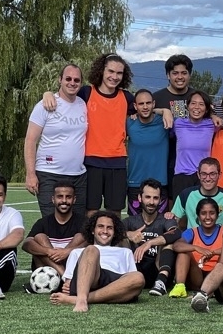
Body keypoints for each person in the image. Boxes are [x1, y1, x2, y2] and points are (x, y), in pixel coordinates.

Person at [42, 53, 173, 217]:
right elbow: (64, 96)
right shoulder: (86, 93)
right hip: (91, 162)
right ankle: (90, 242)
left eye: (119, 73)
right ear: (102, 71)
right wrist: (48, 93)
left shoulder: (126, 97)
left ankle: (113, 243)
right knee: (91, 210)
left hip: (117, 164)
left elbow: (144, 108)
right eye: (111, 71)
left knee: (115, 211)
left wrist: (164, 110)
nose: (114, 76)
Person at [24, 63, 87, 217]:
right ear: (60, 79)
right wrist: (30, 174)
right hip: (48, 174)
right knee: (51, 221)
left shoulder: (83, 104)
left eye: (76, 80)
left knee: (78, 225)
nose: (72, 83)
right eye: (68, 78)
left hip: (78, 176)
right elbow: (30, 141)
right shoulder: (44, 105)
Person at [50, 210, 145, 312]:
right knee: (92, 249)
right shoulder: (78, 252)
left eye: (109, 228)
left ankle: (76, 300)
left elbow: (131, 280)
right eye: (100, 226)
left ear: (114, 232)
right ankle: (81, 300)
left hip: (115, 282)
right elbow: (68, 283)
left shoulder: (125, 252)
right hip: (87, 280)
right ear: (92, 230)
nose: (105, 231)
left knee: (138, 277)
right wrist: (67, 284)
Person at [22, 182, 87, 286]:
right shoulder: (43, 222)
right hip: (47, 273)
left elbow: (93, 243)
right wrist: (49, 251)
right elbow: (26, 244)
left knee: (81, 237)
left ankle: (67, 277)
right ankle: (66, 278)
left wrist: (67, 252)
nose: (64, 201)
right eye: (60, 197)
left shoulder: (84, 222)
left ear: (74, 199)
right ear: (53, 199)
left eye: (68, 197)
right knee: (39, 237)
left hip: (73, 268)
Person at [153, 54, 196, 208]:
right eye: (175, 73)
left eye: (184, 73)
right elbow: (141, 110)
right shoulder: (157, 98)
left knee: (189, 204)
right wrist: (162, 110)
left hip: (189, 162)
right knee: (166, 203)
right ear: (168, 75)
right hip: (163, 158)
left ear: (189, 75)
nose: (180, 77)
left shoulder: (196, 98)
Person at [123, 179, 180, 293]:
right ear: (140, 198)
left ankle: (160, 283)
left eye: (155, 198)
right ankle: (123, 277)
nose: (151, 202)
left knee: (169, 243)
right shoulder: (130, 221)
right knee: (122, 240)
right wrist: (129, 234)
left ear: (160, 200)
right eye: (147, 197)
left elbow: (176, 232)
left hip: (158, 268)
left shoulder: (165, 219)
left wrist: (150, 242)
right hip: (135, 269)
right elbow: (112, 232)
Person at [168, 197, 223, 297]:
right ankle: (180, 287)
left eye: (212, 213)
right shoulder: (192, 232)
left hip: (217, 275)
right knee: (184, 251)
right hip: (196, 275)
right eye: (203, 213)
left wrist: (213, 252)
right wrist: (196, 248)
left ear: (217, 215)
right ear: (198, 216)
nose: (208, 217)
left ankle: (214, 289)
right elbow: (176, 246)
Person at [126, 88, 170, 215]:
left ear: (153, 104)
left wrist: (165, 111)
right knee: (135, 227)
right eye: (141, 104)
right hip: (135, 184)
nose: (145, 107)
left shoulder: (165, 121)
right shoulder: (129, 123)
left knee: (160, 227)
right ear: (135, 106)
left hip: (160, 184)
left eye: (148, 103)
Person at [170, 90, 218, 199]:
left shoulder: (212, 124)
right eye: (193, 103)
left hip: (203, 176)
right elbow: (156, 113)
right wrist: (164, 111)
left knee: (203, 212)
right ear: (187, 106)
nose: (197, 107)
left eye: (201, 104)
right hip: (182, 176)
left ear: (206, 108)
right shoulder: (178, 122)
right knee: (180, 213)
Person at [170, 157, 223, 231]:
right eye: (204, 174)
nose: (208, 179)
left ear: (219, 175)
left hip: (220, 241)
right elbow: (173, 221)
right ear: (198, 175)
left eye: (212, 174)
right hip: (191, 240)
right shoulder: (186, 195)